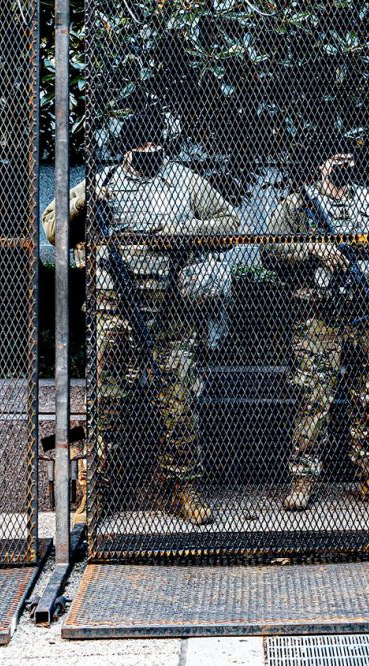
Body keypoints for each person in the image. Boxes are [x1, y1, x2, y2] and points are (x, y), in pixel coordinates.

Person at [42, 105, 240, 526]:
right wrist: (83, 205)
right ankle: (95, 490)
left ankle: (181, 486)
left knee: (180, 402)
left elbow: (230, 223)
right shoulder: (105, 183)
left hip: (171, 312)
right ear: (128, 146)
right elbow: (53, 229)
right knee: (106, 405)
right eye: (142, 142)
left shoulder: (184, 181)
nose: (151, 149)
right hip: (113, 311)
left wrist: (180, 234)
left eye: (157, 142)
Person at [262, 142, 369, 513]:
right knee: (313, 400)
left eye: (350, 158)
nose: (345, 164)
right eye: (337, 158)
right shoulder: (299, 204)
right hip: (318, 318)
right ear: (321, 163)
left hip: (363, 317)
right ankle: (303, 477)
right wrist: (312, 249)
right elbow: (269, 248)